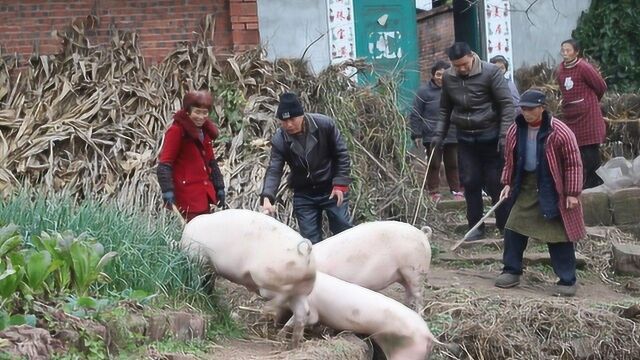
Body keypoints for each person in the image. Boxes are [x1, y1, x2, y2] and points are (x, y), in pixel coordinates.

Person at [495, 89, 585, 297]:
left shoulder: (559, 131)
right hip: (526, 185)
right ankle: (511, 270)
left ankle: (567, 279)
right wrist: (507, 183)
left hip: (553, 187)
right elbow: (510, 159)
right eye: (523, 109)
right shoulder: (515, 130)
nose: (526, 113)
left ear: (542, 108)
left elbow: (573, 163)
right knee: (513, 227)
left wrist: (572, 193)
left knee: (558, 235)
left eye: (531, 109)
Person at [433, 42, 516, 240]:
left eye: (464, 64)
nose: (461, 69)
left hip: (491, 135)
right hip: (465, 136)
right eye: (457, 65)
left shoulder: (490, 72)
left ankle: (505, 225)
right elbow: (445, 109)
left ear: (472, 56)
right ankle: (476, 226)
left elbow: (506, 104)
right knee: (470, 182)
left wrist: (505, 135)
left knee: (496, 182)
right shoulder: (449, 77)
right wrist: (439, 134)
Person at [260, 92, 353, 244]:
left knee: (343, 231)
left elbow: (341, 154)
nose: (288, 124)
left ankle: (348, 266)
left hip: (331, 186)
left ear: (302, 115)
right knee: (310, 241)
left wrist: (340, 184)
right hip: (304, 193)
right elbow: (274, 169)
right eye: (284, 120)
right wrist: (267, 197)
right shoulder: (279, 139)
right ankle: (317, 268)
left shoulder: (325, 125)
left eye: (292, 119)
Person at [157, 90, 226, 222]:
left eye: (205, 112)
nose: (201, 117)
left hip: (203, 195)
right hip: (187, 198)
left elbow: (211, 162)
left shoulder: (204, 132)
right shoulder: (176, 131)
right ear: (188, 112)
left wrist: (219, 187)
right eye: (197, 112)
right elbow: (164, 165)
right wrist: (167, 191)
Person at [555, 38, 607, 189]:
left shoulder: (584, 67)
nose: (565, 53)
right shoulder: (560, 70)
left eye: (568, 50)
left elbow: (600, 86)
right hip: (571, 116)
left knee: (590, 152)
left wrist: (587, 102)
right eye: (563, 50)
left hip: (588, 116)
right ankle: (580, 183)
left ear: (576, 52)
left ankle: (595, 184)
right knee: (576, 151)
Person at [409, 60, 463, 202]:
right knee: (434, 164)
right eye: (438, 74)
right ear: (433, 75)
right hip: (431, 134)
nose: (440, 78)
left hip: (452, 133)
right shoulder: (424, 91)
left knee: (453, 163)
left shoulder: (455, 89)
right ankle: (433, 191)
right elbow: (415, 113)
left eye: (444, 75)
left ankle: (456, 190)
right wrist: (417, 133)